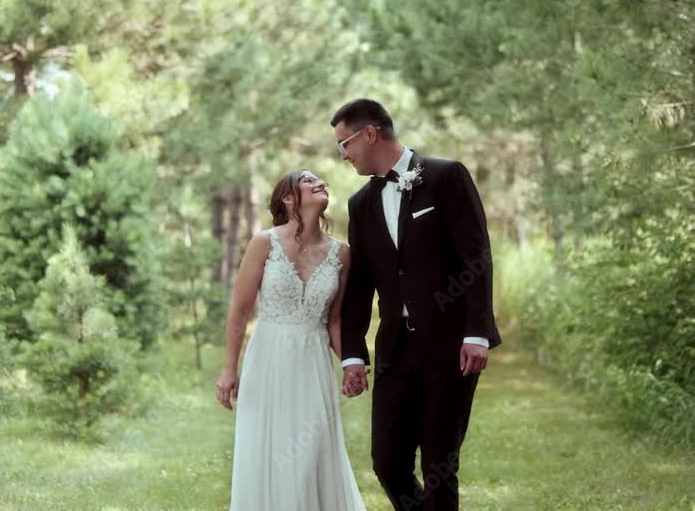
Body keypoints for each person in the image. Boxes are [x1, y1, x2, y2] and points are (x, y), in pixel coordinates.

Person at [334, 98, 502, 511]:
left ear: (369, 134)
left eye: (344, 144)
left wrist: (477, 332)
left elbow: (476, 258)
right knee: (388, 462)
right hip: (395, 350)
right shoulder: (360, 204)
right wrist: (353, 354)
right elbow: (360, 286)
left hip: (451, 347)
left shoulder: (447, 177)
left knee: (439, 466)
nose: (343, 155)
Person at [215, 169, 367, 511]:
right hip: (267, 361)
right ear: (288, 198)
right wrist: (229, 369)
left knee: (311, 453)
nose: (320, 183)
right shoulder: (263, 243)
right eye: (309, 181)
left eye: (321, 180)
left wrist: (350, 364)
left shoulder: (341, 254)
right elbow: (239, 312)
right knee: (267, 453)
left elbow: (334, 320)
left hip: (313, 363)